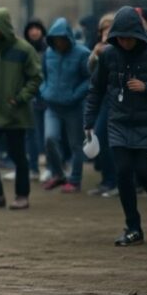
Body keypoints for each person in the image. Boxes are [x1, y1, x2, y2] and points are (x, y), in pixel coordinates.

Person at [85, 7, 147, 245]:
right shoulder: (108, 55)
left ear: (138, 34)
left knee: (145, 172)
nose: (125, 42)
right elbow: (96, 89)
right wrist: (89, 122)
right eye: (120, 37)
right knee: (124, 172)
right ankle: (133, 227)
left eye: (129, 37)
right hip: (119, 122)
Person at [0, 8, 43, 210]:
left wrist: (21, 98)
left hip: (16, 113)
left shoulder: (24, 49)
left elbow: (36, 77)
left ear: (4, 27)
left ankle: (22, 195)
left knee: (18, 155)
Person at [40, 18, 90, 194]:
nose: (59, 42)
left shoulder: (83, 53)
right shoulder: (48, 53)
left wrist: (75, 95)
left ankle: (75, 180)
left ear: (68, 37)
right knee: (49, 138)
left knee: (76, 144)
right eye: (55, 39)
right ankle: (58, 174)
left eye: (61, 39)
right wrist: (44, 90)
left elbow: (90, 78)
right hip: (52, 105)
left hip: (73, 107)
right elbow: (44, 75)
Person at [88, 13, 119, 197]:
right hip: (102, 99)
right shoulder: (98, 48)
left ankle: (115, 181)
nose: (106, 33)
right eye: (103, 29)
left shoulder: (120, 49)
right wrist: (94, 56)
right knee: (99, 139)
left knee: (109, 141)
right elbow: (91, 72)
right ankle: (108, 180)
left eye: (110, 28)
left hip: (117, 100)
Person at [21, 18, 48, 183]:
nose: (34, 31)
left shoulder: (49, 49)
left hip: (45, 96)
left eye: (37, 28)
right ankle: (33, 168)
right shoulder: (24, 50)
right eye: (31, 28)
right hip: (29, 96)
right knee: (30, 133)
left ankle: (50, 168)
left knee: (47, 134)